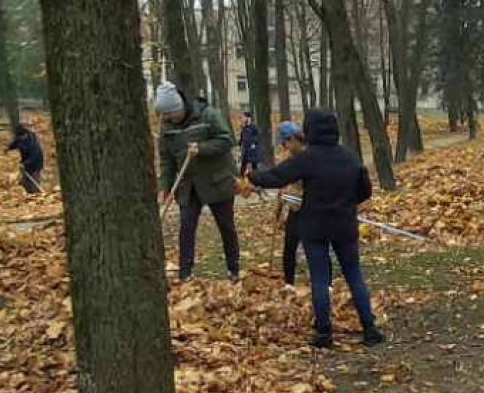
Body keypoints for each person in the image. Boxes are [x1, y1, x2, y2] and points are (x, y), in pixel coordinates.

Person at [247, 107, 384, 349]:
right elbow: (365, 190)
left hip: (315, 227)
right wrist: (346, 203)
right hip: (345, 225)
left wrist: (252, 177)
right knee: (354, 276)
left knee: (319, 278)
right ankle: (369, 328)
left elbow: (277, 176)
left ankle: (323, 332)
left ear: (309, 130)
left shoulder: (307, 158)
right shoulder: (350, 157)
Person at [155, 80, 240, 281]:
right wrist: (164, 187)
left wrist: (202, 148)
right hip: (189, 186)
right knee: (186, 227)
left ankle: (234, 269)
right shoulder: (166, 128)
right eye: (164, 115)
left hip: (217, 181)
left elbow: (226, 140)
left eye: (169, 114)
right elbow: (167, 161)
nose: (166, 118)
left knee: (226, 226)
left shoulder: (208, 115)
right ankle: (185, 272)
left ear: (179, 107)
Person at [274, 120, 305, 287]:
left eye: (284, 143)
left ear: (292, 139)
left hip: (311, 208)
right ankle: (289, 284)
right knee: (289, 246)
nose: (284, 147)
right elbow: (282, 181)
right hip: (295, 208)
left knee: (315, 247)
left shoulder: (309, 155)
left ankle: (325, 283)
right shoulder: (290, 156)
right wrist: (279, 210)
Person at [6, 122, 44, 195]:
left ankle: (36, 193)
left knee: (34, 180)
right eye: (18, 137)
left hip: (36, 163)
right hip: (25, 161)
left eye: (21, 137)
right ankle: (27, 190)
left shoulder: (32, 142)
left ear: (25, 134)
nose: (20, 139)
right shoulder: (19, 138)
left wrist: (25, 164)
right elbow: (16, 143)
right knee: (25, 179)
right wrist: (9, 148)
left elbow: (34, 156)